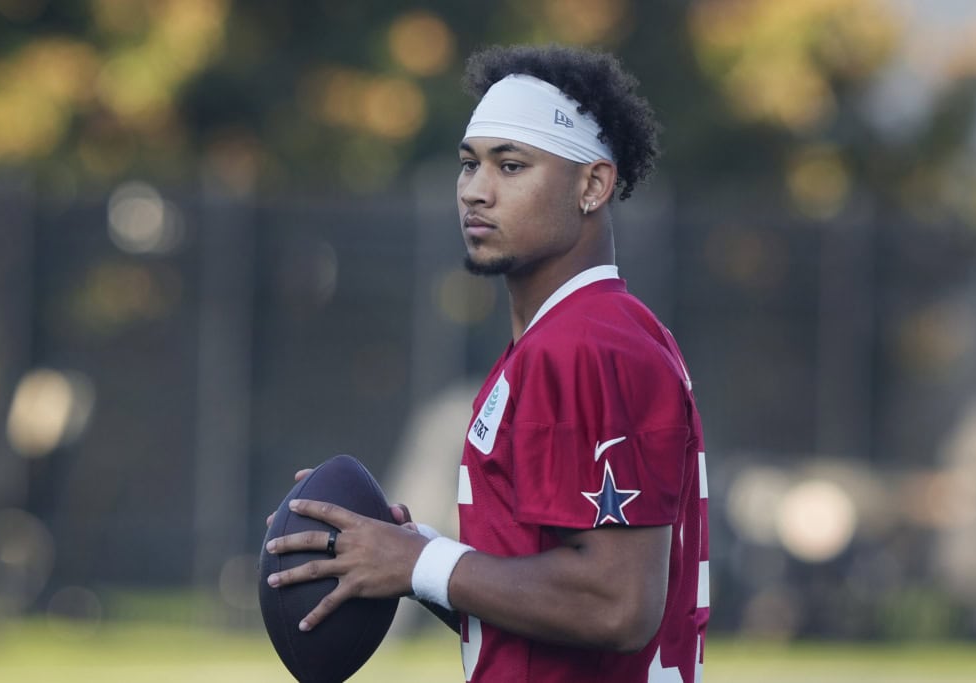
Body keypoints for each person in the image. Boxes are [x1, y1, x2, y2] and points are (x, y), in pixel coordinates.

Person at [265, 44, 709, 682]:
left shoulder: (586, 345)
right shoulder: (568, 338)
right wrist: (404, 556)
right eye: (469, 164)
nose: (476, 190)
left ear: (592, 185)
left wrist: (421, 564)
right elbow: (543, 617)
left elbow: (617, 605)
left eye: (511, 165)